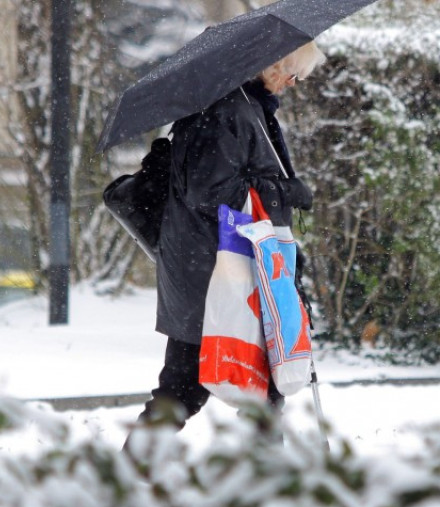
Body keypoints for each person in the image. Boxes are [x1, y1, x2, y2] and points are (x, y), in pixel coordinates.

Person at [129, 42, 326, 435]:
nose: (293, 83)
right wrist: (284, 192)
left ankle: (131, 474)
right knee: (201, 392)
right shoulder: (226, 111)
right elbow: (212, 192)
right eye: (292, 72)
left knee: (195, 392)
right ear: (270, 63)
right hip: (215, 275)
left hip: (216, 269)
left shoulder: (245, 106)